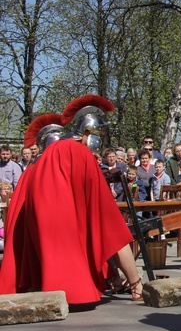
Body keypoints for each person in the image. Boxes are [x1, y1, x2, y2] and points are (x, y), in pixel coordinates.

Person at [0, 101, 143, 304]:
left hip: (45, 213)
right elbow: (101, 207)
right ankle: (136, 284)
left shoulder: (46, 156)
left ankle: (49, 284)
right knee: (112, 228)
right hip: (60, 212)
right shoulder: (78, 151)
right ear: (88, 133)